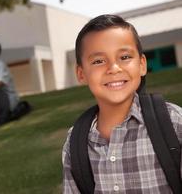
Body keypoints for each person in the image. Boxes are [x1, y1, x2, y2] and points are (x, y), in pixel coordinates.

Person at [62, 15, 182, 193]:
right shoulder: (75, 143)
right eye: (98, 61)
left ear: (142, 64)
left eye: (124, 57)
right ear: (81, 74)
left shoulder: (174, 123)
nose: (114, 68)